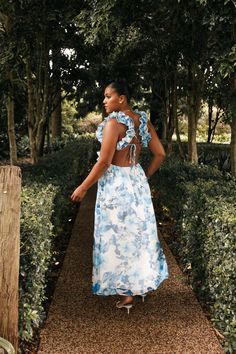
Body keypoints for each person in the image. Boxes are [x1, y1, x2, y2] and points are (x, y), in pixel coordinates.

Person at [71, 80, 169, 314]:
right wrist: (143, 176)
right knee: (138, 234)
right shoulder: (142, 121)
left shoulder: (113, 123)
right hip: (136, 181)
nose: (104, 101)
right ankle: (139, 287)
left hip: (115, 185)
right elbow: (160, 154)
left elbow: (104, 162)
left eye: (107, 96)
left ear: (121, 98)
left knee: (118, 236)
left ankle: (126, 297)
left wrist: (84, 187)